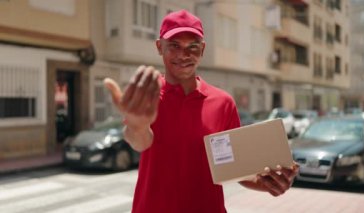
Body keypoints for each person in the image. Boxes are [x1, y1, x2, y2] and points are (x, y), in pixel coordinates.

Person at [104, 9, 299, 213]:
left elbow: (234, 168)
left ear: (203, 49)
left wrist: (264, 181)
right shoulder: (149, 96)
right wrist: (137, 126)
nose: (184, 55)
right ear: (159, 47)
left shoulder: (223, 103)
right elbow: (139, 140)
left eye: (193, 46)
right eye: (174, 46)